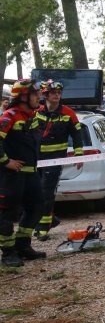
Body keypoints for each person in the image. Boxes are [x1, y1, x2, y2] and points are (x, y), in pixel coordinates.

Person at [0, 79, 46, 266]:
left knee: (37, 207)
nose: (39, 97)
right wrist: (6, 161)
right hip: (11, 176)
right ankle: (8, 253)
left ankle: (22, 245)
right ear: (23, 96)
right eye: (35, 94)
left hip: (30, 174)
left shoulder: (31, 117)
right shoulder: (9, 116)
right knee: (6, 213)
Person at [34, 80, 83, 241]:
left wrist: (78, 153)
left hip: (55, 160)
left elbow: (76, 134)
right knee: (32, 192)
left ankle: (43, 227)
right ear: (45, 95)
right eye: (53, 92)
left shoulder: (68, 113)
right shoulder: (37, 111)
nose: (57, 95)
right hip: (35, 159)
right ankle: (51, 218)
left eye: (59, 92)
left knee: (46, 192)